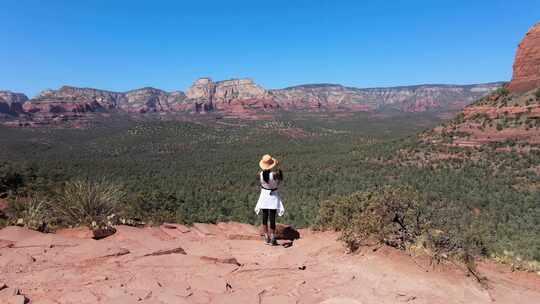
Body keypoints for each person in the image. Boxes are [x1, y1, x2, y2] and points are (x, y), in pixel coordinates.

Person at [254, 154, 285, 246]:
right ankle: (273, 238)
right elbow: (281, 178)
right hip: (273, 196)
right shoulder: (275, 175)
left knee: (264, 216)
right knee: (272, 217)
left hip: (264, 195)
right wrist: (278, 166)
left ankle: (266, 237)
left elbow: (260, 182)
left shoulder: (259, 174)